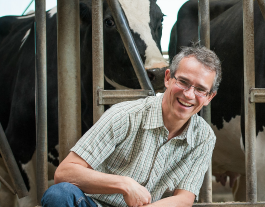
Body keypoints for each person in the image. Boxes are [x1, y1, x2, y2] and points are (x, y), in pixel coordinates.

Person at [41, 46, 221, 207]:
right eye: (183, 82)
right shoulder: (125, 115)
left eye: (200, 89)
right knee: (59, 194)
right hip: (93, 203)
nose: (189, 94)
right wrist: (124, 184)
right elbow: (65, 172)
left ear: (209, 97)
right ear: (168, 78)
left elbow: (184, 199)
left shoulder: (204, 137)